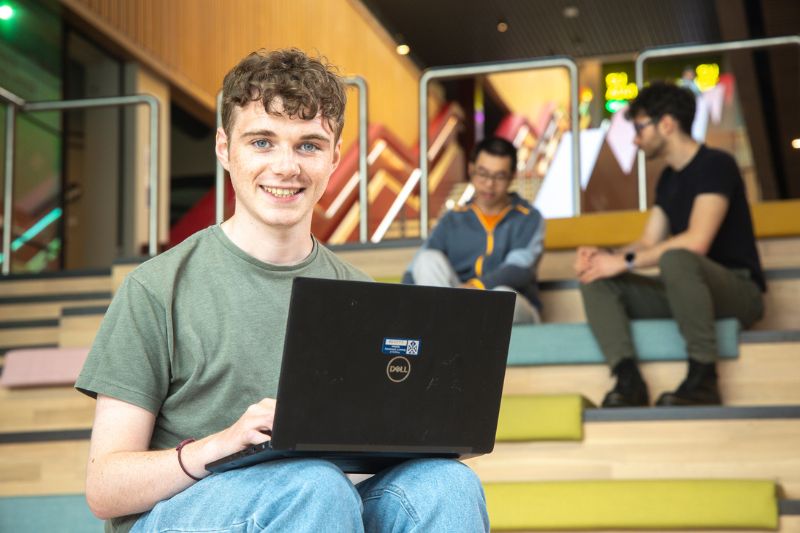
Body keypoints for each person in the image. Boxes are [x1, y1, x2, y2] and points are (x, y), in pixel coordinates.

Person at [76, 49, 489, 533]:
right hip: (185, 515)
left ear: (335, 157)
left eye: (309, 145)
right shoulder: (155, 289)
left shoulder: (360, 294)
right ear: (224, 149)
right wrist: (221, 445)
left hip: (317, 506)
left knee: (447, 484)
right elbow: (104, 489)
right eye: (262, 141)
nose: (286, 166)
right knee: (312, 485)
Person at [574, 81, 764, 408]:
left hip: (737, 291)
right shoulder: (669, 178)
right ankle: (628, 380)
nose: (635, 138)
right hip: (685, 288)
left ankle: (704, 378)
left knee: (678, 256)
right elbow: (649, 240)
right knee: (597, 278)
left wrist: (626, 261)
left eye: (639, 127)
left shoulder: (717, 165)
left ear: (667, 124)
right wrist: (606, 258)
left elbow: (696, 241)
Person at [403, 136, 545, 324]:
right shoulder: (452, 219)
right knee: (427, 259)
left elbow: (519, 269)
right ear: (471, 170)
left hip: (510, 306)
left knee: (502, 296)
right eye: (483, 173)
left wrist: (476, 287)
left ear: (511, 176)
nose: (489, 184)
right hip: (456, 303)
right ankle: (442, 330)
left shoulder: (528, 218)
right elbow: (415, 270)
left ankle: (446, 327)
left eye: (499, 176)